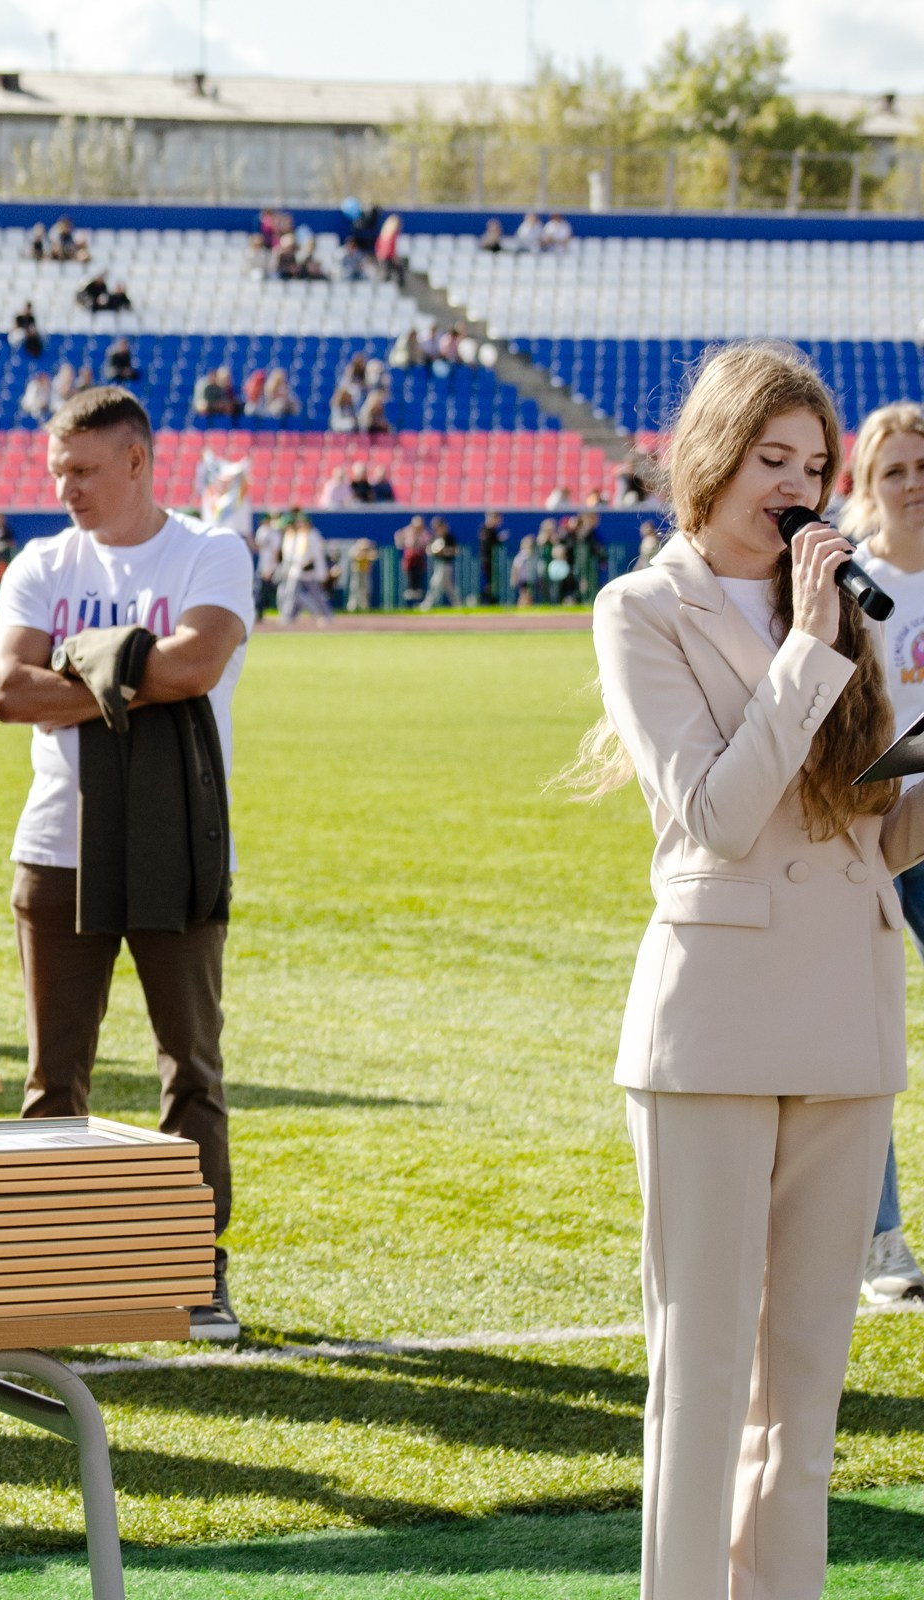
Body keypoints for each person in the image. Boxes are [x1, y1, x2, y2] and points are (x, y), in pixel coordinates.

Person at [567, 341, 921, 1600]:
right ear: (711, 458)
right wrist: (811, 641)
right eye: (774, 459)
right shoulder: (641, 609)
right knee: (703, 1374)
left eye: (816, 465)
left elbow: (864, 833)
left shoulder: (829, 611)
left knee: (807, 1390)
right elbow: (716, 813)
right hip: (713, 1026)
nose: (799, 485)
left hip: (848, 1015)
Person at [0, 386, 254, 1340]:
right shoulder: (40, 560)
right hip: (56, 844)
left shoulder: (210, 551)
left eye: (85, 471)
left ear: (139, 460)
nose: (67, 489)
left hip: (176, 840)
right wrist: (131, 664)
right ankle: (48, 1266)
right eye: (58, 471)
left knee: (191, 1070)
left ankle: (193, 1268)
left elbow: (197, 667)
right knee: (53, 1079)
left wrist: (83, 662)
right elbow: (9, 695)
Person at [845, 400, 924, 1305]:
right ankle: (881, 1243)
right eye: (893, 470)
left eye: (922, 466)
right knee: (865, 1039)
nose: (911, 484)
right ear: (867, 486)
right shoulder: (854, 587)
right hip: (874, 833)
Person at [277, 510, 330, 624]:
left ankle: (324, 615)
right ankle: (288, 616)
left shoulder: (313, 534)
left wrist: (306, 563)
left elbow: (315, 553)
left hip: (309, 569)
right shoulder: (299, 535)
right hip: (297, 569)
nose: (300, 524)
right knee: (292, 593)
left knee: (315, 594)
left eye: (303, 522)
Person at [422, 515, 461, 608]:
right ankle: (458, 603)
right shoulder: (436, 537)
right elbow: (429, 549)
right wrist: (433, 551)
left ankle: (428, 603)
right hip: (438, 563)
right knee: (448, 586)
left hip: (447, 564)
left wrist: (443, 551)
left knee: (435, 583)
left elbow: (456, 550)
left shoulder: (450, 537)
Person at [477, 511, 506, 604]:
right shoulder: (486, 530)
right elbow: (488, 545)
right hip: (488, 560)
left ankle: (490, 600)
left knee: (493, 582)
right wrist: (498, 539)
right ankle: (482, 598)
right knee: (491, 582)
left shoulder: (491, 530)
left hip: (492, 560)